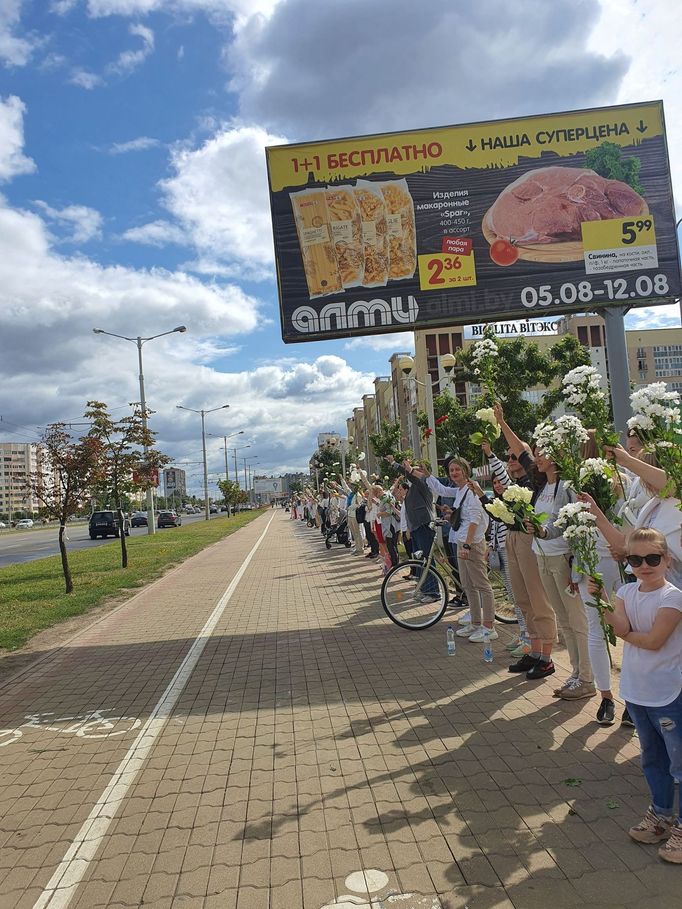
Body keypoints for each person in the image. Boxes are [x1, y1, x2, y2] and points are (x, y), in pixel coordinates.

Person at [607, 528, 682, 863]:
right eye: (635, 559)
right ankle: (662, 815)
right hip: (637, 691)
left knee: (680, 764)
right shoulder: (624, 590)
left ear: (666, 559)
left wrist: (627, 632)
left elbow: (654, 641)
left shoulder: (673, 596)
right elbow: (620, 628)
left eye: (653, 558)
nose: (644, 565)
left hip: (669, 693)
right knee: (653, 759)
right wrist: (599, 598)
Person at [494, 402, 559, 680]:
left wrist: (503, 423)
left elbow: (521, 450)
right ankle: (534, 650)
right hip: (514, 535)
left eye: (545, 451)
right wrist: (501, 422)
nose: (538, 458)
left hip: (533, 540)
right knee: (523, 599)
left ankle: (546, 656)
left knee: (537, 598)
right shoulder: (533, 473)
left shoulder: (549, 480)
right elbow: (519, 449)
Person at [415, 456, 495, 642]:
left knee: (482, 585)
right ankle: (476, 623)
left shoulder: (472, 488)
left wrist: (467, 543)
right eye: (451, 470)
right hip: (462, 540)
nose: (454, 473)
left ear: (465, 470)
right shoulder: (460, 490)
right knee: (468, 585)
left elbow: (475, 519)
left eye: (457, 469)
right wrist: (451, 513)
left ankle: (489, 627)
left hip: (472, 542)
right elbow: (445, 493)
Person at [385, 455, 439, 599]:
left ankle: (433, 592)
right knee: (421, 561)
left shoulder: (424, 484)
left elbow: (412, 476)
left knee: (427, 560)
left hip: (424, 525)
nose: (413, 474)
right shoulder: (412, 489)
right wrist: (408, 529)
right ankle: (425, 588)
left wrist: (397, 465)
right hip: (416, 528)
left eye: (416, 471)